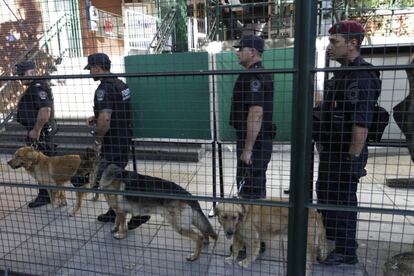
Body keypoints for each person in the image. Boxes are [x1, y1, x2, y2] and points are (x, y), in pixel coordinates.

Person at [314, 20, 381, 265]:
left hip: (346, 152)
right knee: (327, 195)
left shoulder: (362, 75)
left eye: (334, 42)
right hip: (331, 150)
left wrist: (353, 158)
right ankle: (332, 241)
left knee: (343, 200)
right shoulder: (341, 74)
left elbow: (361, 123)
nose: (329, 47)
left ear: (352, 44)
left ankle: (346, 251)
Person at [84, 53, 150, 230]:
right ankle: (114, 212)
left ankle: (140, 212)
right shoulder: (121, 84)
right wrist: (96, 116)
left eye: (91, 68)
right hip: (123, 137)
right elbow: (115, 110)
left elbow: (106, 119)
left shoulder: (104, 89)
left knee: (109, 179)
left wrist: (97, 141)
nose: (90, 72)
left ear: (98, 67)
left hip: (112, 141)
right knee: (117, 178)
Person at [230, 35, 274, 254]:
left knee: (250, 193)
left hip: (255, 143)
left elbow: (256, 113)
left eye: (241, 49)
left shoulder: (254, 76)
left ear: (253, 52)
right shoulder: (256, 74)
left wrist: (247, 149)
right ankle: (253, 238)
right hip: (256, 141)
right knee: (253, 190)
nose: (237, 52)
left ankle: (254, 242)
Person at [15, 60, 57, 208]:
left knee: (41, 165)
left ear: (31, 72)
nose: (19, 77)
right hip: (39, 133)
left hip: (41, 134)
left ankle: (46, 196)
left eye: (21, 74)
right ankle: (50, 195)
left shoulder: (37, 87)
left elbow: (45, 112)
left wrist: (36, 130)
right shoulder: (36, 86)